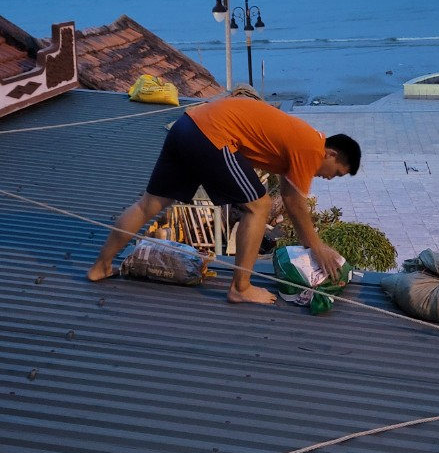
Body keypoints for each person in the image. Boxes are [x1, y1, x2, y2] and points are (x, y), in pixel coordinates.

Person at [87, 96, 361, 304]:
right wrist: (317, 247)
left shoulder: (300, 139)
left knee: (149, 204)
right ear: (331, 154)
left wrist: (309, 243)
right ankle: (241, 288)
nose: (329, 178)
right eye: (335, 174)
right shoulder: (312, 147)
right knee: (260, 206)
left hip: (185, 126)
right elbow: (294, 201)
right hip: (211, 134)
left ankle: (101, 266)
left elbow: (289, 196)